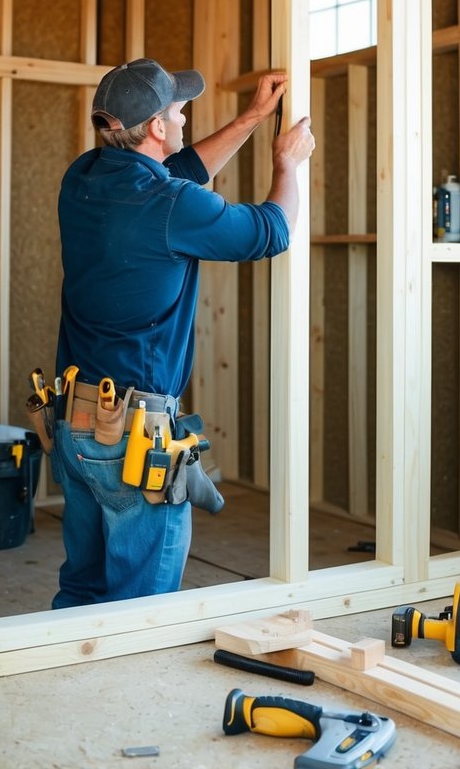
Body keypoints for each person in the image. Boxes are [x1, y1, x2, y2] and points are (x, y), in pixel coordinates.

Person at [50, 56, 314, 608]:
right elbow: (270, 231)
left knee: (83, 588)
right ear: (155, 128)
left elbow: (180, 174)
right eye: (178, 109)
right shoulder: (170, 205)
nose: (185, 116)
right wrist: (287, 164)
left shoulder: (83, 178)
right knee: (142, 606)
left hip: (74, 425)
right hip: (133, 437)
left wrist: (250, 119)